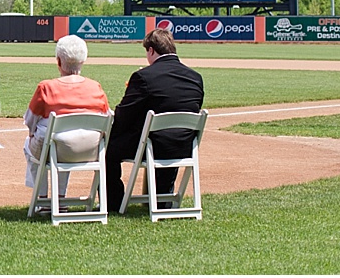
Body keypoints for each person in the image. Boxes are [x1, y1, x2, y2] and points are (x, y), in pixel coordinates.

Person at [105, 28, 205, 213]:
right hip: (185, 146)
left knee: (107, 149)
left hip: (151, 145)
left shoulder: (144, 77)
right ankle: (163, 200)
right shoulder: (196, 78)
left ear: (151, 50)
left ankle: (114, 203)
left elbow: (124, 115)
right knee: (169, 134)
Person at [22, 35, 110, 213]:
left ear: (59, 61)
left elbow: (29, 122)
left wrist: (33, 133)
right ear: (83, 61)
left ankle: (43, 199)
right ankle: (60, 198)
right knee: (64, 139)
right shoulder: (96, 87)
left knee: (39, 143)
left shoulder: (46, 87)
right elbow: (106, 119)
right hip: (90, 149)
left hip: (55, 148)